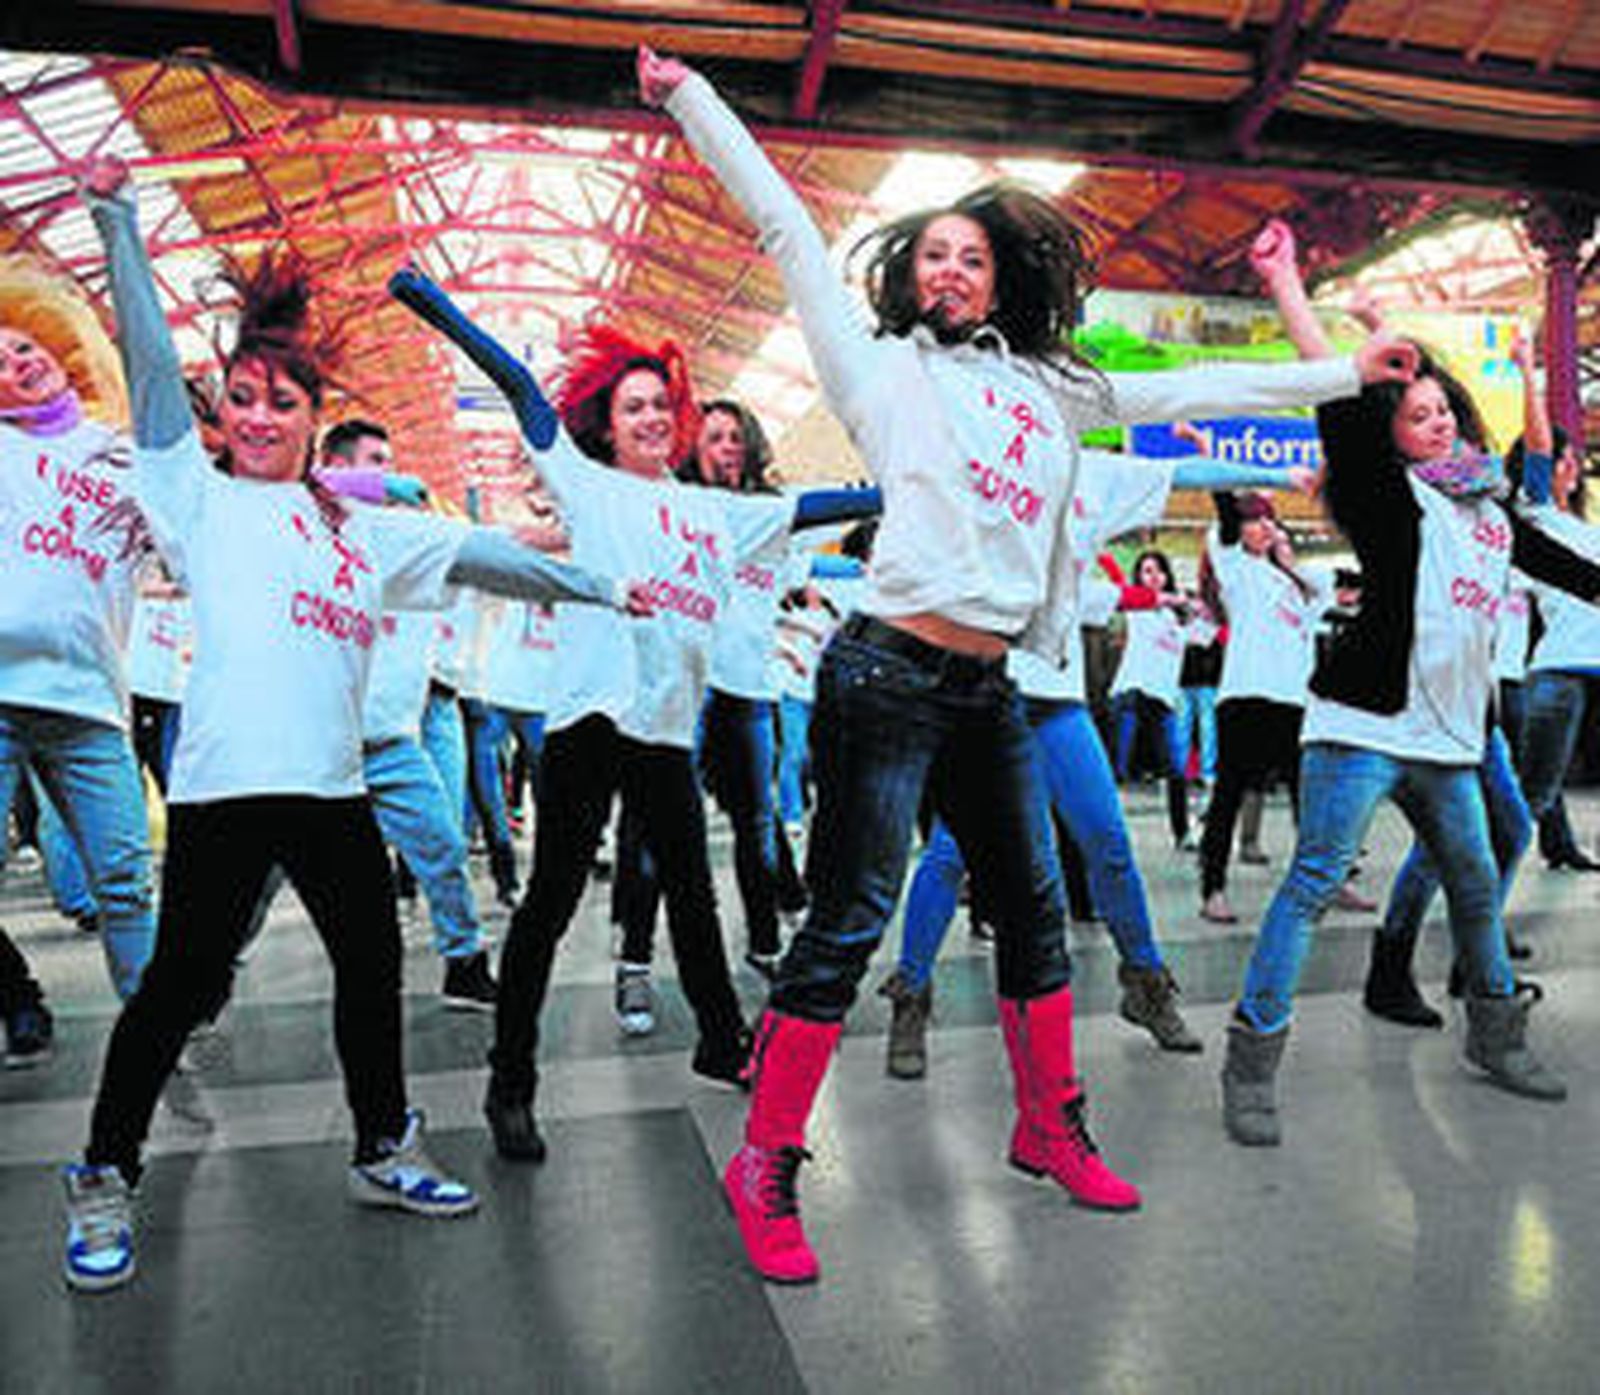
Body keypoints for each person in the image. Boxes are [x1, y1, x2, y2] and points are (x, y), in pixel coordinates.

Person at [644, 46, 1413, 1284]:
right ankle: (767, 1162)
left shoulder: (1050, 388)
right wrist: (689, 97)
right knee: (846, 919)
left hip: (990, 687)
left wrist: (1342, 374)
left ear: (1000, 278)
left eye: (972, 254)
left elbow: (1196, 388)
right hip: (884, 677)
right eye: (932, 253)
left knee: (1038, 913)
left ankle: (1047, 1125)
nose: (950, 267)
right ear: (907, 275)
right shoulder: (877, 368)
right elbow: (787, 227)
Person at [63, 156, 640, 1294]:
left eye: (284, 401)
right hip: (228, 794)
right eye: (243, 398)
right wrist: (116, 219)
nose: (262, 415)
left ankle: (383, 1145)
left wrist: (606, 587)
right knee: (178, 989)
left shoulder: (358, 533)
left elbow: (485, 558)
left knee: (371, 968)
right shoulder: (196, 497)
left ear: (314, 423)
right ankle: (100, 1172)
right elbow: (141, 366)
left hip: (332, 794)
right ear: (220, 416)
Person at [389, 270, 876, 1166]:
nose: (651, 418)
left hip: (663, 727)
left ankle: (721, 1042)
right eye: (633, 408)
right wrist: (439, 309)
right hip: (589, 724)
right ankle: (511, 1080)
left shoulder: (714, 513)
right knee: (552, 902)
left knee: (693, 892)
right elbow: (520, 389)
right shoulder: (584, 483)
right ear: (608, 426)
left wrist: (897, 486)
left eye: (661, 406)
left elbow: (813, 507)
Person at [1221, 219, 1600, 1149]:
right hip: (1359, 728)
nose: (1436, 422)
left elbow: (1569, 565)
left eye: (1444, 412)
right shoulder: (1389, 492)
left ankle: (1495, 1037)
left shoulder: (1489, 510)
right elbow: (1344, 399)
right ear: (1393, 435)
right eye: (1416, 414)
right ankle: (1253, 1061)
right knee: (1311, 884)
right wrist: (1289, 288)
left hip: (1450, 741)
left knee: (1476, 883)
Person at [885, 447, 1316, 1077]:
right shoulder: (975, 454)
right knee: (952, 853)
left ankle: (1144, 985)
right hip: (987, 693)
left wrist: (1284, 474)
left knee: (1109, 844)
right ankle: (911, 999)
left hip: (1059, 701)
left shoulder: (1096, 470)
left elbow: (1186, 477)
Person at [0, 244, 157, 1012]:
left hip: (91, 703)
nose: (18, 360)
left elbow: (220, 503)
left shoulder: (122, 459)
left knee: (127, 879)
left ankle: (154, 1023)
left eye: (25, 343)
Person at [1109, 547, 1193, 847]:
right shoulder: (1136, 606)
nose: (1153, 576)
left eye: (1158, 570)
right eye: (1146, 570)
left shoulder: (1179, 617)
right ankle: (1105, 833)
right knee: (1116, 769)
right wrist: (1103, 554)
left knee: (1176, 771)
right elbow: (1118, 584)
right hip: (1131, 695)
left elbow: (1210, 631)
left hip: (1164, 701)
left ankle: (1182, 833)